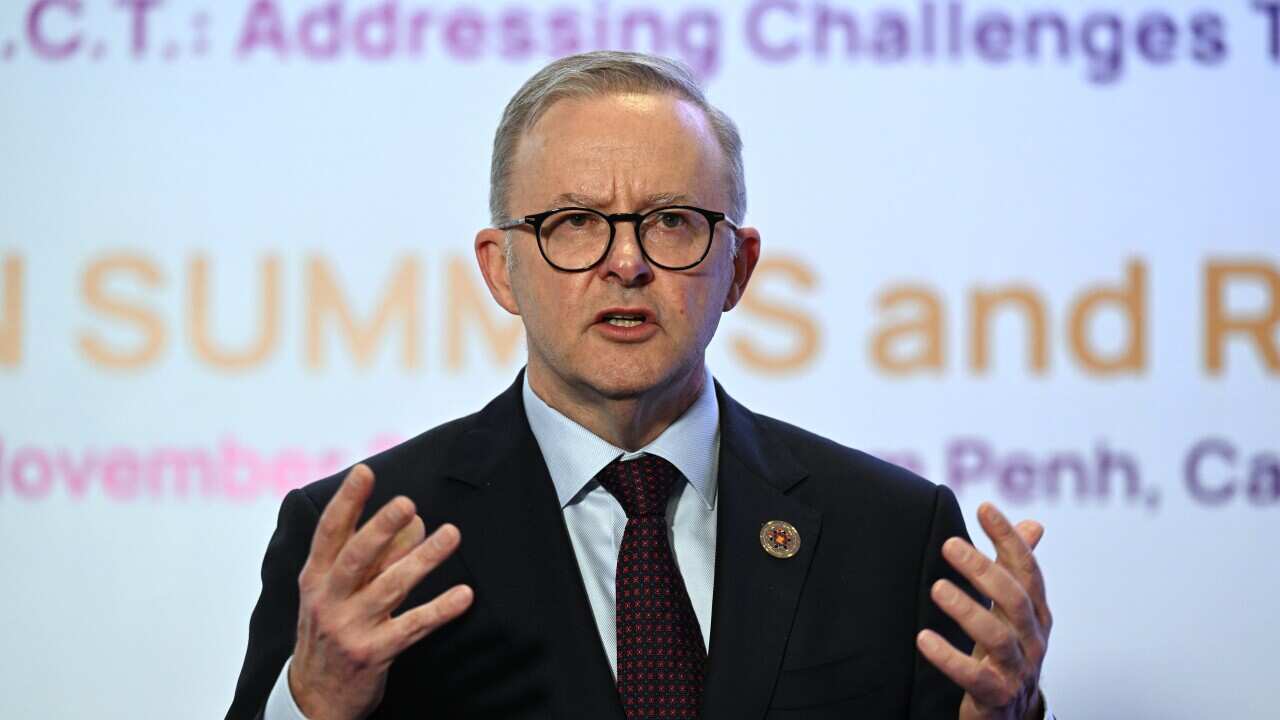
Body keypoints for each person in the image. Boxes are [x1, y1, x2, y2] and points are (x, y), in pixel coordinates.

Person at [227, 51, 1054, 720]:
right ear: (501, 269)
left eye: (672, 221)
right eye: (573, 222)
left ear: (739, 268)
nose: (627, 263)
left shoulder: (893, 535)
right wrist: (315, 706)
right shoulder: (363, 545)